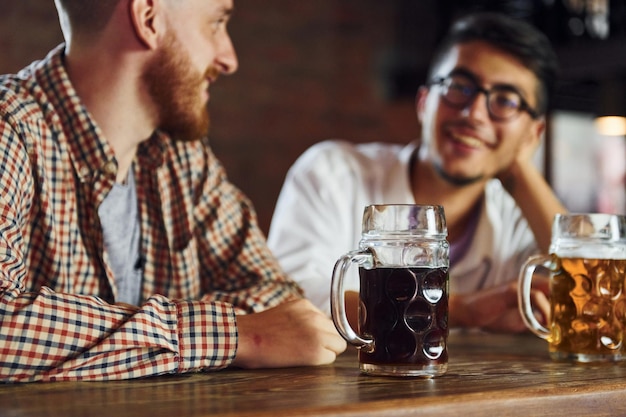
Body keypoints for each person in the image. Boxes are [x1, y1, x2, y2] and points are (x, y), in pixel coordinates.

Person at [0, 0, 346, 383]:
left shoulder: (182, 157)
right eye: (216, 23)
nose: (229, 58)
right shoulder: (9, 130)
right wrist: (238, 335)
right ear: (148, 19)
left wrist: (125, 338)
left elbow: (275, 294)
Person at [267, 12, 567, 333]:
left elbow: (601, 304)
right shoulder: (333, 173)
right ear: (424, 102)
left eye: (506, 101)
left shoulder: (520, 218)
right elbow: (290, 299)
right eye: (459, 87)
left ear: (534, 134)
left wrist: (520, 174)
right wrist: (460, 310)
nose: (474, 115)